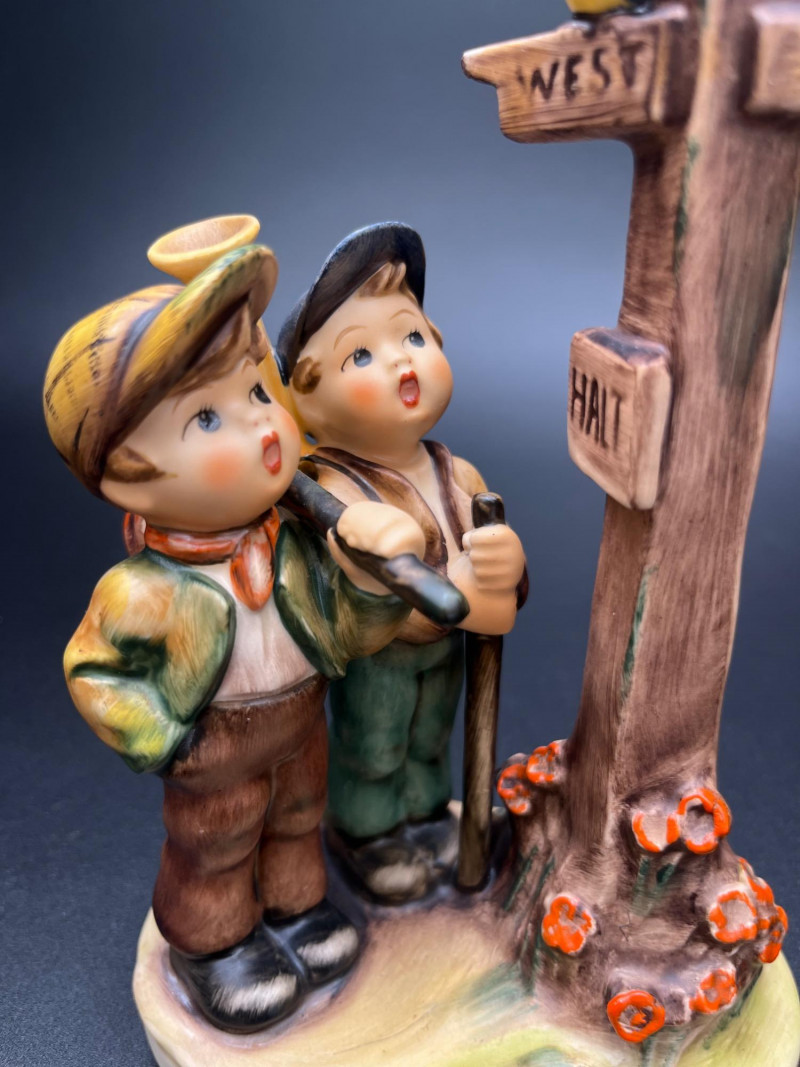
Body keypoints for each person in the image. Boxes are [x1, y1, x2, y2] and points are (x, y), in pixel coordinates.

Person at [42, 235, 426, 1032]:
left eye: (258, 391)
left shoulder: (294, 546)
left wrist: (368, 579)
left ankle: (297, 910)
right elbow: (95, 674)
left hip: (299, 724)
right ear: (127, 472)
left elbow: (346, 630)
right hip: (214, 750)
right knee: (215, 846)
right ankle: (215, 944)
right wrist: (170, 741)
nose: (263, 427)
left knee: (298, 819)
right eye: (209, 417)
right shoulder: (143, 592)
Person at [275, 223, 526, 903]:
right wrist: (361, 555)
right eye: (361, 354)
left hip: (447, 647)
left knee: (429, 738)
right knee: (375, 745)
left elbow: (496, 560)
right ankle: (369, 833)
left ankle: (425, 816)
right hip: (379, 657)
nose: (399, 363)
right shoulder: (329, 487)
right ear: (304, 396)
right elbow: (329, 582)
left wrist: (506, 564)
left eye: (412, 337)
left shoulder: (457, 471)